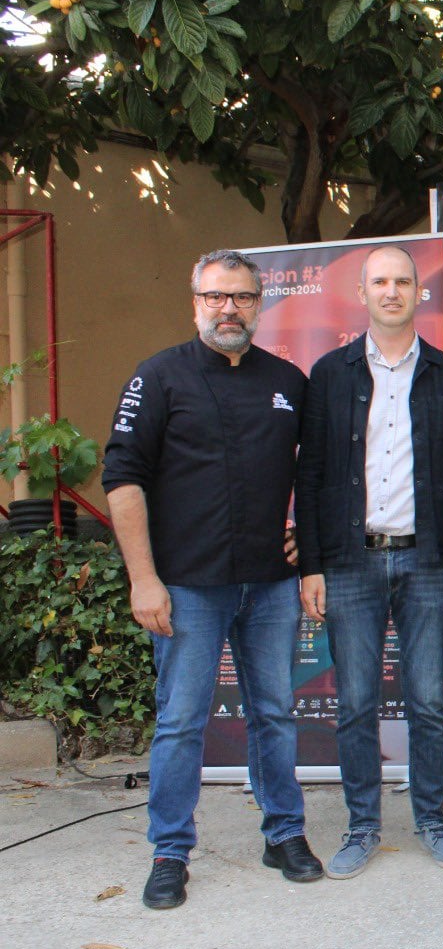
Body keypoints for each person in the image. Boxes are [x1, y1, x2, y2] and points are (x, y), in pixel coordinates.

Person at [104, 249, 322, 910]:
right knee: (180, 721)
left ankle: (283, 832)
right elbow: (122, 480)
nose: (229, 308)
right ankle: (170, 849)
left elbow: (312, 476)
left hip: (271, 583)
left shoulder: (288, 380)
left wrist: (304, 541)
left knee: (275, 715)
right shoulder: (158, 378)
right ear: (195, 301)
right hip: (188, 585)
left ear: (260, 304)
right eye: (215, 296)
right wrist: (144, 579)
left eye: (242, 297)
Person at [295, 245, 443, 878]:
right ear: (362, 293)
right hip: (349, 561)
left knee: (428, 700)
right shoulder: (330, 372)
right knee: (355, 703)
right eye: (381, 282)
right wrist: (311, 565)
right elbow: (312, 471)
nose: (393, 291)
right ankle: (362, 827)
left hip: (427, 561)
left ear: (419, 292)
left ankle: (432, 820)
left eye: (404, 281)